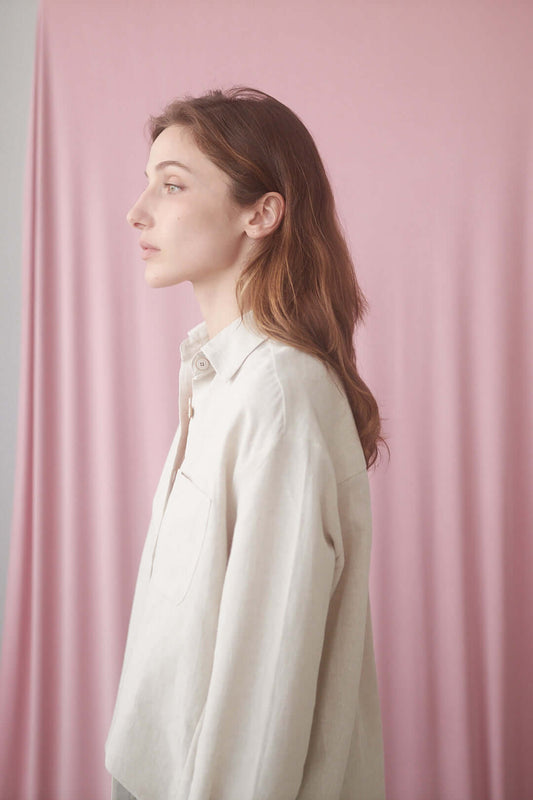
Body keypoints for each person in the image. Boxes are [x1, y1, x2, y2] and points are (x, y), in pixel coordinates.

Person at [105, 86, 389, 800]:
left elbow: (266, 689)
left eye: (172, 185)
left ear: (260, 214)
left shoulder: (278, 397)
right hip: (153, 771)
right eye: (147, 182)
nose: (137, 211)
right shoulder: (220, 377)